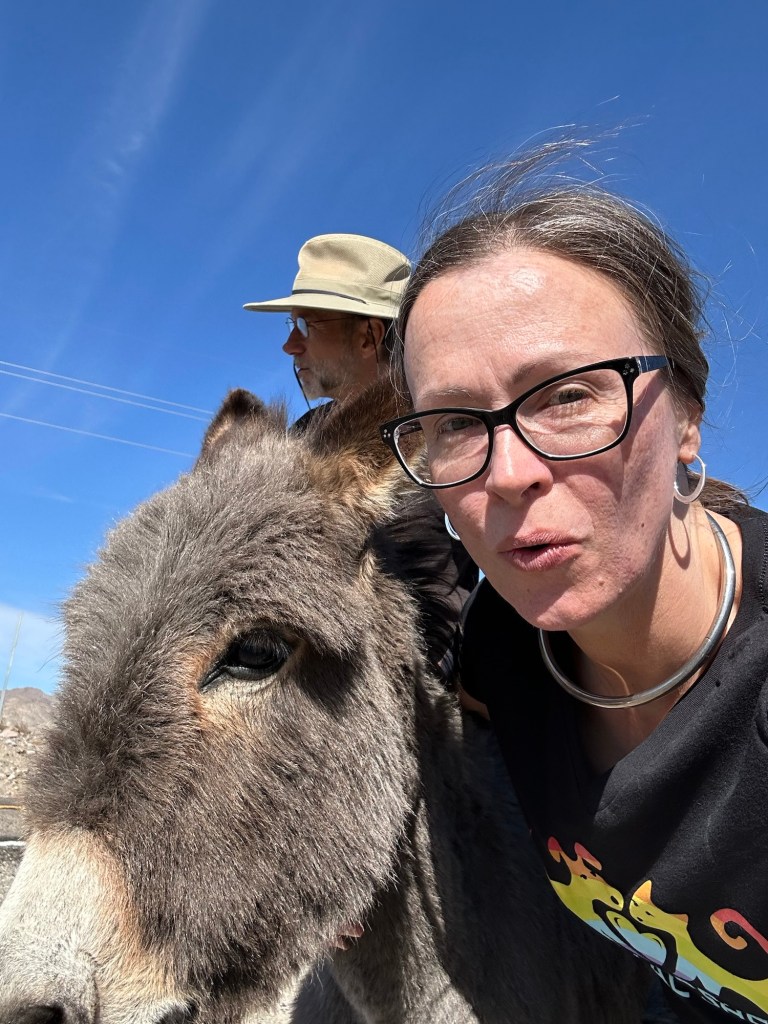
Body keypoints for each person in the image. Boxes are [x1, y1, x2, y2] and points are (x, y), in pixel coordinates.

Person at [380, 146, 765, 1024]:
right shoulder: (500, 652)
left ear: (688, 420)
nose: (507, 473)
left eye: (567, 395)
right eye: (453, 423)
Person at [244, 232, 477, 678]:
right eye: (290, 326)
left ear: (369, 335)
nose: (290, 345)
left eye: (307, 325)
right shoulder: (305, 435)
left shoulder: (443, 429)